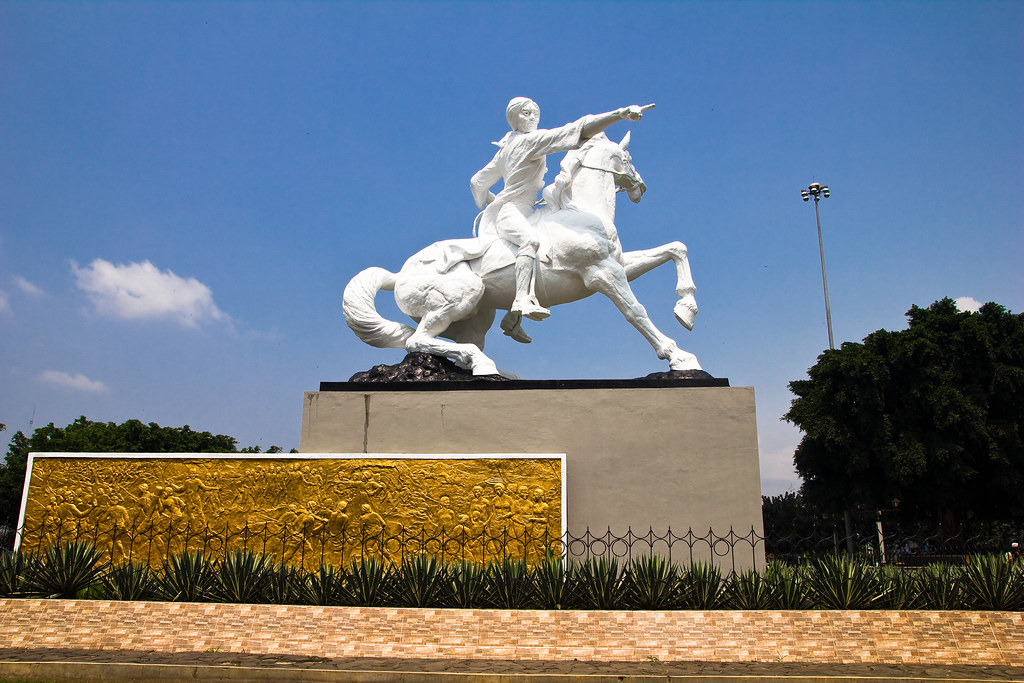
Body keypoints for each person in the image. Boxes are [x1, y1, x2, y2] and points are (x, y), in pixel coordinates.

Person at [471, 98, 652, 339]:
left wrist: (489, 199)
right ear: (515, 119)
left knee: (550, 240)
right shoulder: (529, 141)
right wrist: (620, 114)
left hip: (524, 210)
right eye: (525, 113)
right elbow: (576, 130)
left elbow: (477, 183)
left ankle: (511, 320)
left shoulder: (505, 150)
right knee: (531, 242)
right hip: (513, 211)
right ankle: (522, 301)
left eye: (534, 112)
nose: (532, 117)